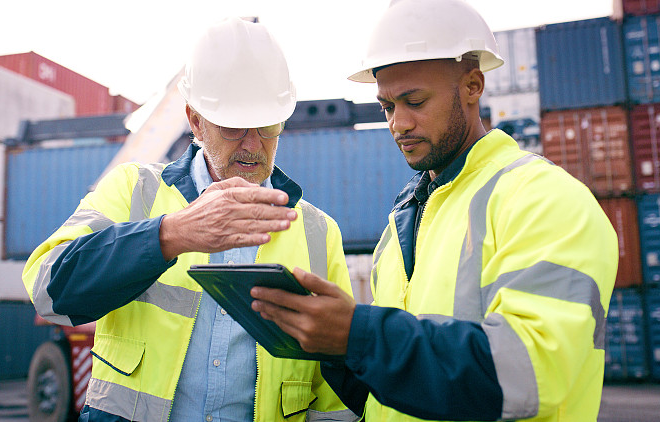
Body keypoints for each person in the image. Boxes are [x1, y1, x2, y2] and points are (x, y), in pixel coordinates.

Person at [250, 0, 619, 421]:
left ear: (473, 86)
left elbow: (532, 374)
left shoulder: (544, 199)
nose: (397, 124)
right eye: (388, 106)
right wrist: (331, 349)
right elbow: (396, 393)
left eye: (415, 101)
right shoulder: (399, 225)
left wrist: (360, 336)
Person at [23, 17, 358, 422]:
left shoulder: (318, 232)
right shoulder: (134, 190)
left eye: (267, 126)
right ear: (196, 121)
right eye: (234, 126)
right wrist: (169, 235)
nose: (253, 145)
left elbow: (333, 396)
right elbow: (48, 290)